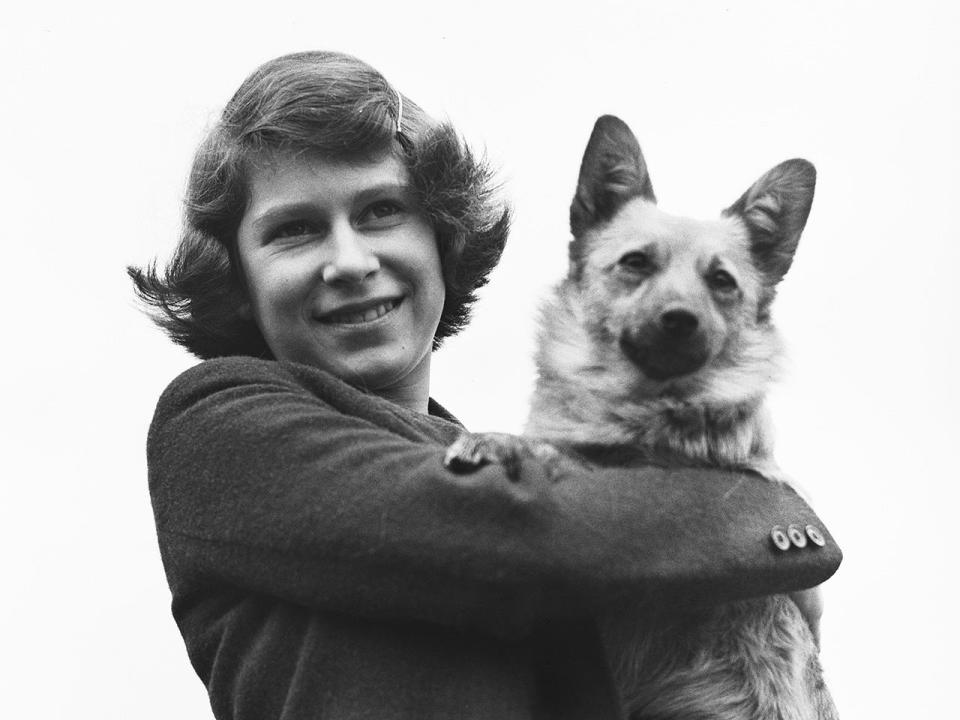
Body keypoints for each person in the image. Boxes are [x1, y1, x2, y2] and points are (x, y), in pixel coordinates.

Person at [130, 51, 841, 720]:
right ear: (239, 280)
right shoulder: (218, 419)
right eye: (295, 230)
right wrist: (779, 522)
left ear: (442, 237)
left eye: (381, 211)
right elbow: (518, 529)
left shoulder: (480, 456)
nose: (350, 261)